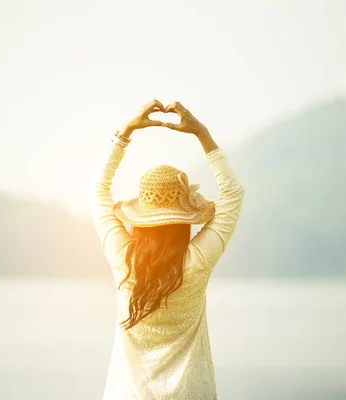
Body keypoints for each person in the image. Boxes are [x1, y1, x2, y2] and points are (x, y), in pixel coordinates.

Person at [90, 99, 245, 399]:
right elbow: (233, 193)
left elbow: (98, 189)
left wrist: (125, 132)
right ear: (184, 220)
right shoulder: (196, 261)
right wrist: (202, 133)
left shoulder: (123, 259)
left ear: (141, 218)